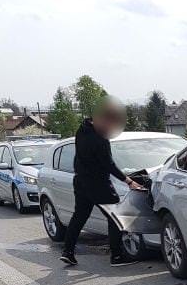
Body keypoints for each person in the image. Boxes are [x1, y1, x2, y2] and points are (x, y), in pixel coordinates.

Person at [60, 96, 143, 267]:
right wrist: (128, 181)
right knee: (115, 217)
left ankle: (67, 252)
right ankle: (117, 256)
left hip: (81, 181)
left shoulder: (82, 129)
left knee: (79, 216)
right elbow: (108, 164)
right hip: (98, 184)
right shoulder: (100, 139)